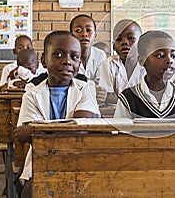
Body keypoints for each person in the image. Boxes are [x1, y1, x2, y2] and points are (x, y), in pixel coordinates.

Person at [15, 31, 100, 198]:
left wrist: (37, 129)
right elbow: (22, 135)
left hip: (80, 161)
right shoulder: (32, 94)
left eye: (74, 57)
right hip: (43, 163)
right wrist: (34, 131)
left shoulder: (86, 88)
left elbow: (80, 128)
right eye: (58, 54)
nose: (67, 61)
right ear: (44, 61)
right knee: (29, 192)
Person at [114, 30, 175, 118]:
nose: (169, 60)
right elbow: (121, 130)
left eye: (173, 56)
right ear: (141, 60)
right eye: (160, 55)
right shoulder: (127, 99)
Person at [97, 19, 145, 104]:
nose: (124, 42)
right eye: (118, 39)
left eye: (131, 38)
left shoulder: (149, 65)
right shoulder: (109, 64)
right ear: (114, 46)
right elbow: (106, 96)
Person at [69, 14, 106, 81]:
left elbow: (100, 84)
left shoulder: (100, 55)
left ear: (95, 36)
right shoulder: (66, 56)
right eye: (78, 31)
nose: (84, 34)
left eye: (88, 30)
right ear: (70, 36)